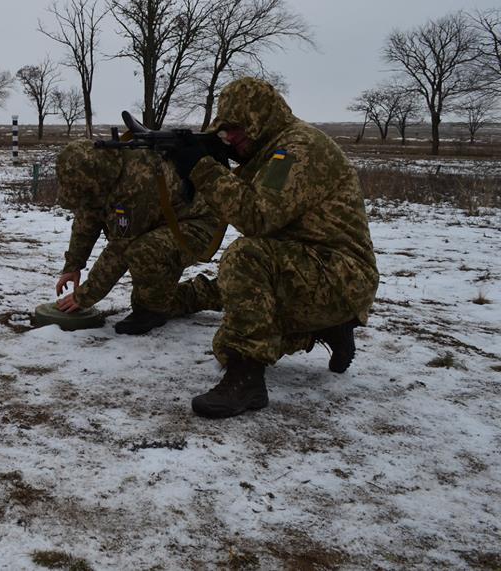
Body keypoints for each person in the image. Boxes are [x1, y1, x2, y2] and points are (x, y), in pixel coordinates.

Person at [168, 77, 379, 418]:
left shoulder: (296, 149)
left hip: (341, 273)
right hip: (306, 265)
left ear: (259, 119)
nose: (229, 137)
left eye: (235, 129)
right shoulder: (269, 149)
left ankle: (247, 381)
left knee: (245, 256)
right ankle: (328, 329)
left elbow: (257, 217)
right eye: (224, 130)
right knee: (228, 344)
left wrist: (204, 170)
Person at [54, 139, 221, 334]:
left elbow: (120, 248)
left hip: (199, 227)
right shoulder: (102, 176)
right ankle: (168, 302)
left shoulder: (136, 181)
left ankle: (212, 295)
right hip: (164, 223)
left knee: (143, 252)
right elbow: (87, 216)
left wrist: (84, 296)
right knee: (149, 292)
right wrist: (73, 265)